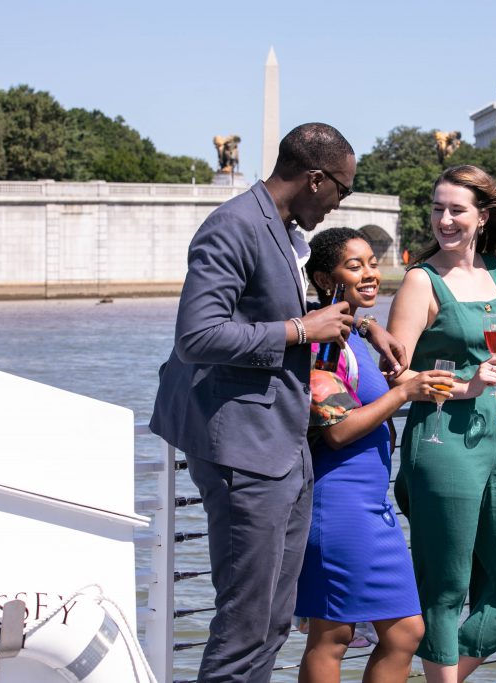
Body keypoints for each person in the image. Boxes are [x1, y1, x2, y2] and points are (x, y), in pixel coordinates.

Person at [149, 123, 407, 683]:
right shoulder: (234, 227)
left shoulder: (281, 232)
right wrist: (299, 329)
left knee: (271, 622)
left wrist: (361, 328)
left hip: (282, 452)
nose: (341, 202)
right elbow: (197, 337)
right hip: (245, 453)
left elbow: (284, 308)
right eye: (341, 188)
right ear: (315, 179)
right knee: (246, 627)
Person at [386, 165, 496, 682]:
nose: (445, 220)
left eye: (457, 209)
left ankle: (445, 673)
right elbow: (397, 374)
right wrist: (464, 387)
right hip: (441, 444)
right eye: (438, 209)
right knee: (445, 589)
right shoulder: (421, 281)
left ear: (482, 216)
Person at [295, 227, 453, 683]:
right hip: (338, 503)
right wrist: (405, 393)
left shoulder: (348, 334)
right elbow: (340, 430)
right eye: (354, 265)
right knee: (333, 636)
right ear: (327, 277)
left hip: (369, 502)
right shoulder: (322, 345)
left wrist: (368, 326)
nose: (370, 274)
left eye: (371, 262)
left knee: (403, 632)